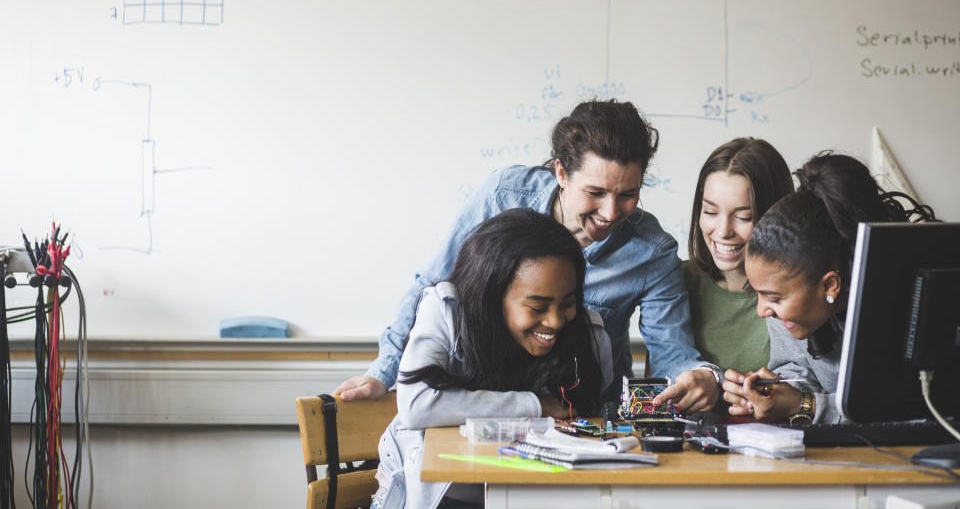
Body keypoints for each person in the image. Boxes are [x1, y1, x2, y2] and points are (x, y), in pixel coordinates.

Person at [335, 99, 721, 412]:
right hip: (483, 405)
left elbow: (673, 354)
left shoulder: (652, 251)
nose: (610, 212)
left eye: (628, 194)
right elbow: (432, 286)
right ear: (561, 173)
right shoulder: (502, 196)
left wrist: (700, 377)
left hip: (581, 415)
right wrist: (384, 371)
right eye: (595, 193)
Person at [371, 208, 612, 509]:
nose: (555, 321)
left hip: (537, 496)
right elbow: (418, 405)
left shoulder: (588, 336)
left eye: (568, 302)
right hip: (442, 497)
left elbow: (593, 420)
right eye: (537, 308)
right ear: (492, 296)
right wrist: (536, 405)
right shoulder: (446, 311)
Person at [721, 152, 936, 425]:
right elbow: (799, 371)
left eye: (773, 298)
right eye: (759, 293)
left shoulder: (909, 308)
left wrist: (805, 406)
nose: (762, 310)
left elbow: (909, 413)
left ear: (830, 285)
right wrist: (773, 395)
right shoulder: (788, 313)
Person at [681, 137, 793, 374]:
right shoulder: (676, 282)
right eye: (710, 211)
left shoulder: (799, 295)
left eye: (743, 217)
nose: (723, 231)